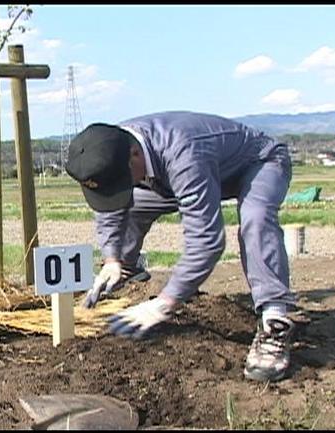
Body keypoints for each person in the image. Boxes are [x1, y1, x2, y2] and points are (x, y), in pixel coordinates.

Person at [65, 111, 296, 382]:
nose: (121, 187)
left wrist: (164, 304)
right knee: (134, 204)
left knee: (256, 219)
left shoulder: (183, 152)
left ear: (134, 156)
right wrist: (112, 259)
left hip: (257, 163)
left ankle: (274, 320)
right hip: (177, 178)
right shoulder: (109, 144)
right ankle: (125, 271)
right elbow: (110, 205)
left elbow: (207, 241)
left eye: (123, 181)